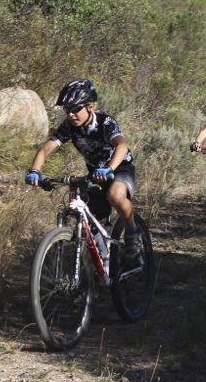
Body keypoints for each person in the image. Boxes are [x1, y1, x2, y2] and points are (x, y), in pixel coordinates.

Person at [25, 78, 141, 264]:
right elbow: (45, 148)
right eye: (67, 109)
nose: (70, 114)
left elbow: (121, 146)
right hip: (96, 174)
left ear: (91, 106)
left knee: (116, 196)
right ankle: (97, 266)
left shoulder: (105, 122)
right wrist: (35, 171)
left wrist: (109, 168)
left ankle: (133, 234)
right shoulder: (69, 126)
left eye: (75, 108)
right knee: (87, 218)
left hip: (119, 167)